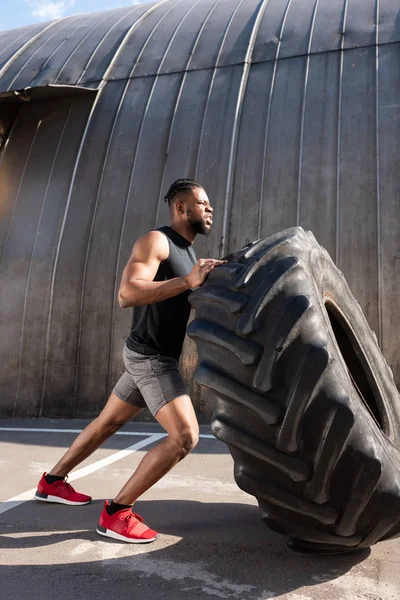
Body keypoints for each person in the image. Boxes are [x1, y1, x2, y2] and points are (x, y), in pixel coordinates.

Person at [34, 179, 224, 544]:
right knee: (184, 436)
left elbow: (184, 290)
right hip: (151, 358)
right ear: (181, 208)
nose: (209, 209)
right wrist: (188, 281)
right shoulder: (157, 241)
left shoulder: (187, 252)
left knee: (107, 423)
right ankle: (116, 513)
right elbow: (127, 293)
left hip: (148, 354)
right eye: (202, 203)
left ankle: (52, 482)